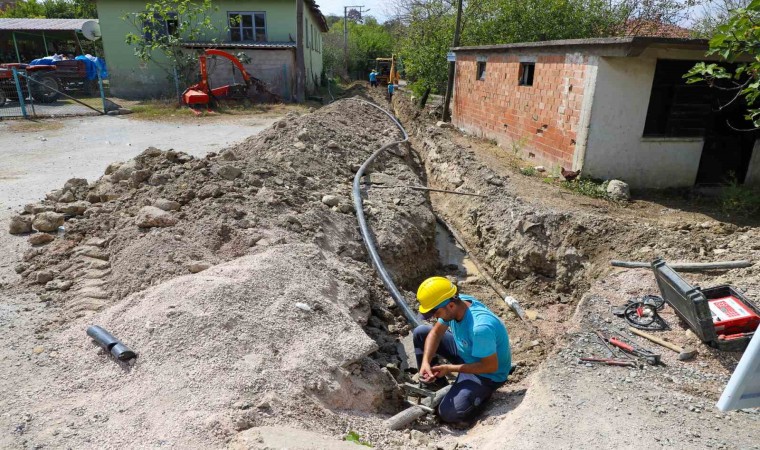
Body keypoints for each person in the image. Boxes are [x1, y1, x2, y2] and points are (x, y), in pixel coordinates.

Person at [413, 276, 511, 423]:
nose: (434, 317)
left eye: (436, 313)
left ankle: (481, 395)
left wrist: (449, 368)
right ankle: (437, 384)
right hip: (467, 352)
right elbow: (436, 333)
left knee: (449, 414)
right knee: (421, 332)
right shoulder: (456, 303)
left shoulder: (480, 328)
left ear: (451, 306)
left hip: (487, 374)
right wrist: (426, 362)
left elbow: (490, 366)